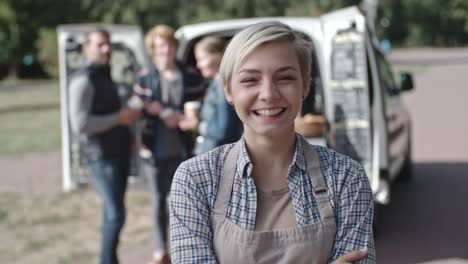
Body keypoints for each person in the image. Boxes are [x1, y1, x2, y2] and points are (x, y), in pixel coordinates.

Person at [169, 21, 375, 263]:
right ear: (229, 91)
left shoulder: (345, 178)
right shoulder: (196, 179)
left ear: (305, 85)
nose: (268, 94)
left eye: (285, 78)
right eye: (250, 80)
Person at [133, 24, 204, 264]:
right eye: (161, 45)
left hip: (184, 147)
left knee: (181, 199)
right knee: (158, 200)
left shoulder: (191, 74)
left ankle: (182, 246)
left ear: (175, 47)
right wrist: (162, 112)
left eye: (170, 45)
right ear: (154, 49)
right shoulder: (145, 76)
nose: (166, 50)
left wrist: (189, 118)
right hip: (154, 146)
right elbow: (139, 106)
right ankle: (160, 249)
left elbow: (200, 102)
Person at [69, 29, 140, 264]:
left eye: (108, 44)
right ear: (85, 50)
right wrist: (118, 119)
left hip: (117, 154)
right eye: (100, 45)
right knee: (115, 215)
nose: (106, 49)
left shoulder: (104, 75)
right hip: (101, 158)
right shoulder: (83, 80)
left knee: (114, 215)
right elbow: (80, 124)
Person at [179, 36, 242, 155]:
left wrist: (197, 125)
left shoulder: (223, 87)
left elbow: (222, 129)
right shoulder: (216, 84)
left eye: (202, 59)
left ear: (218, 56)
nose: (198, 65)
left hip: (219, 156)